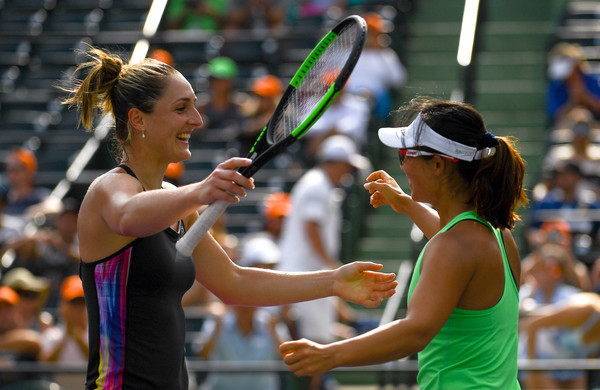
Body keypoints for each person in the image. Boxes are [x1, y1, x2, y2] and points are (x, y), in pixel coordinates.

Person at [61, 46, 397, 390]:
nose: (197, 118)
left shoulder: (177, 206)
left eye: (194, 104)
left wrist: (333, 282)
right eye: (181, 108)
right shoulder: (108, 190)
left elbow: (235, 283)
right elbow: (127, 218)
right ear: (138, 119)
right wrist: (201, 190)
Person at [280, 98, 528, 389]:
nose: (404, 165)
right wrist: (407, 204)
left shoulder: (452, 247)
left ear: (437, 164)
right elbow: (450, 234)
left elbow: (416, 331)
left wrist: (331, 354)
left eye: (405, 154)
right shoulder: (497, 236)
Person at [277, 134, 369, 390]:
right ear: (336, 162)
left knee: (318, 347)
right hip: (306, 278)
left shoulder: (317, 183)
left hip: (307, 278)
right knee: (318, 349)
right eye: (347, 166)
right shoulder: (317, 185)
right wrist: (332, 265)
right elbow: (311, 227)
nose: (348, 172)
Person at [193, 236, 290, 390]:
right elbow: (203, 355)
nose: (246, 304)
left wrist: (274, 333)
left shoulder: (270, 323)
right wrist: (218, 327)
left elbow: (288, 358)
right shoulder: (219, 321)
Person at [521, 292, 600, 389]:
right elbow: (532, 326)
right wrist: (533, 368)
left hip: (571, 364)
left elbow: (590, 356)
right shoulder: (583, 310)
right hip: (540, 358)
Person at [39, 275, 88, 389]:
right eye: (73, 302)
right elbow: (44, 364)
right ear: (62, 305)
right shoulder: (52, 334)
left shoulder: (99, 334)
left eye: (81, 302)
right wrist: (66, 337)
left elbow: (97, 362)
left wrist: (76, 335)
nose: (78, 308)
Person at [547, 42, 600, 126]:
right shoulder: (556, 86)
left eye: (563, 59)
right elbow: (556, 116)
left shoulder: (594, 80)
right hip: (565, 129)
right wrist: (573, 100)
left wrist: (585, 97)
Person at [2, 148, 50, 217]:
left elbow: (55, 205)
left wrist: (35, 210)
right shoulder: (4, 198)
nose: (12, 176)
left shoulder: (39, 196)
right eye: (9, 171)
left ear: (29, 172)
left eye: (16, 171)